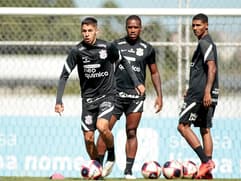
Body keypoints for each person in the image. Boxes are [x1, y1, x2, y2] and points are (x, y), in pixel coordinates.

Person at [54, 17, 145, 177]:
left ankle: (111, 154)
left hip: (107, 96)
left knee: (102, 127)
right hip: (88, 100)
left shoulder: (107, 47)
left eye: (90, 31)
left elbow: (124, 62)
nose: (87, 34)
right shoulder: (77, 51)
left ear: (97, 31)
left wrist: (137, 82)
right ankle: (97, 170)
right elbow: (64, 75)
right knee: (89, 138)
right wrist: (59, 100)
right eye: (84, 31)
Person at [96, 15, 163, 179]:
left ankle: (128, 171)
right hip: (115, 95)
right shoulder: (116, 45)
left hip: (135, 97)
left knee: (131, 131)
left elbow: (154, 72)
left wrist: (159, 96)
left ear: (141, 28)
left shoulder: (147, 48)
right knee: (104, 130)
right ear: (126, 28)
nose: (133, 30)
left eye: (136, 27)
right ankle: (97, 167)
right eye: (130, 27)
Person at [177, 13, 219, 179]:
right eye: (193, 25)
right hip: (203, 91)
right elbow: (202, 70)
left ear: (206, 26)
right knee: (204, 129)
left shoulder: (205, 42)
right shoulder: (205, 43)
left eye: (198, 25)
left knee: (182, 126)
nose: (195, 28)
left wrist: (206, 91)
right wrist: (191, 86)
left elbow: (212, 68)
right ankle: (207, 172)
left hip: (201, 94)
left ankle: (205, 162)